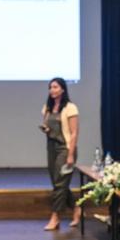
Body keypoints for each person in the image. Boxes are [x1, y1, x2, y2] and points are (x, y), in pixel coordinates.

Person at [41, 77, 81, 231]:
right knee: (58, 183)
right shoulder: (47, 107)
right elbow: (47, 124)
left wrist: (70, 154)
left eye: (55, 87)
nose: (52, 89)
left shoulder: (70, 108)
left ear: (63, 89)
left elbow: (74, 133)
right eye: (50, 87)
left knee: (60, 183)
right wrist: (45, 129)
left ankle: (55, 217)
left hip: (65, 149)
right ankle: (76, 208)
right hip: (51, 147)